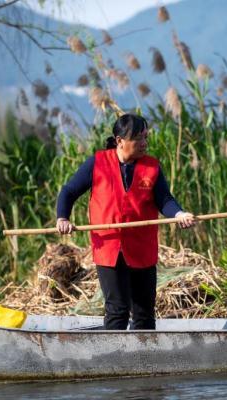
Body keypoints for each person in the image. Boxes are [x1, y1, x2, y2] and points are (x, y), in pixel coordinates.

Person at [56, 113, 195, 330]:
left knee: (144, 313)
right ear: (120, 141)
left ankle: (144, 360)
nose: (144, 143)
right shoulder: (98, 162)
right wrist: (63, 217)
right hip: (109, 248)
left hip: (142, 248)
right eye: (138, 138)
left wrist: (179, 215)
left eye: (146, 137)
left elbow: (164, 199)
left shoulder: (152, 167)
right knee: (117, 309)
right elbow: (69, 191)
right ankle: (113, 361)